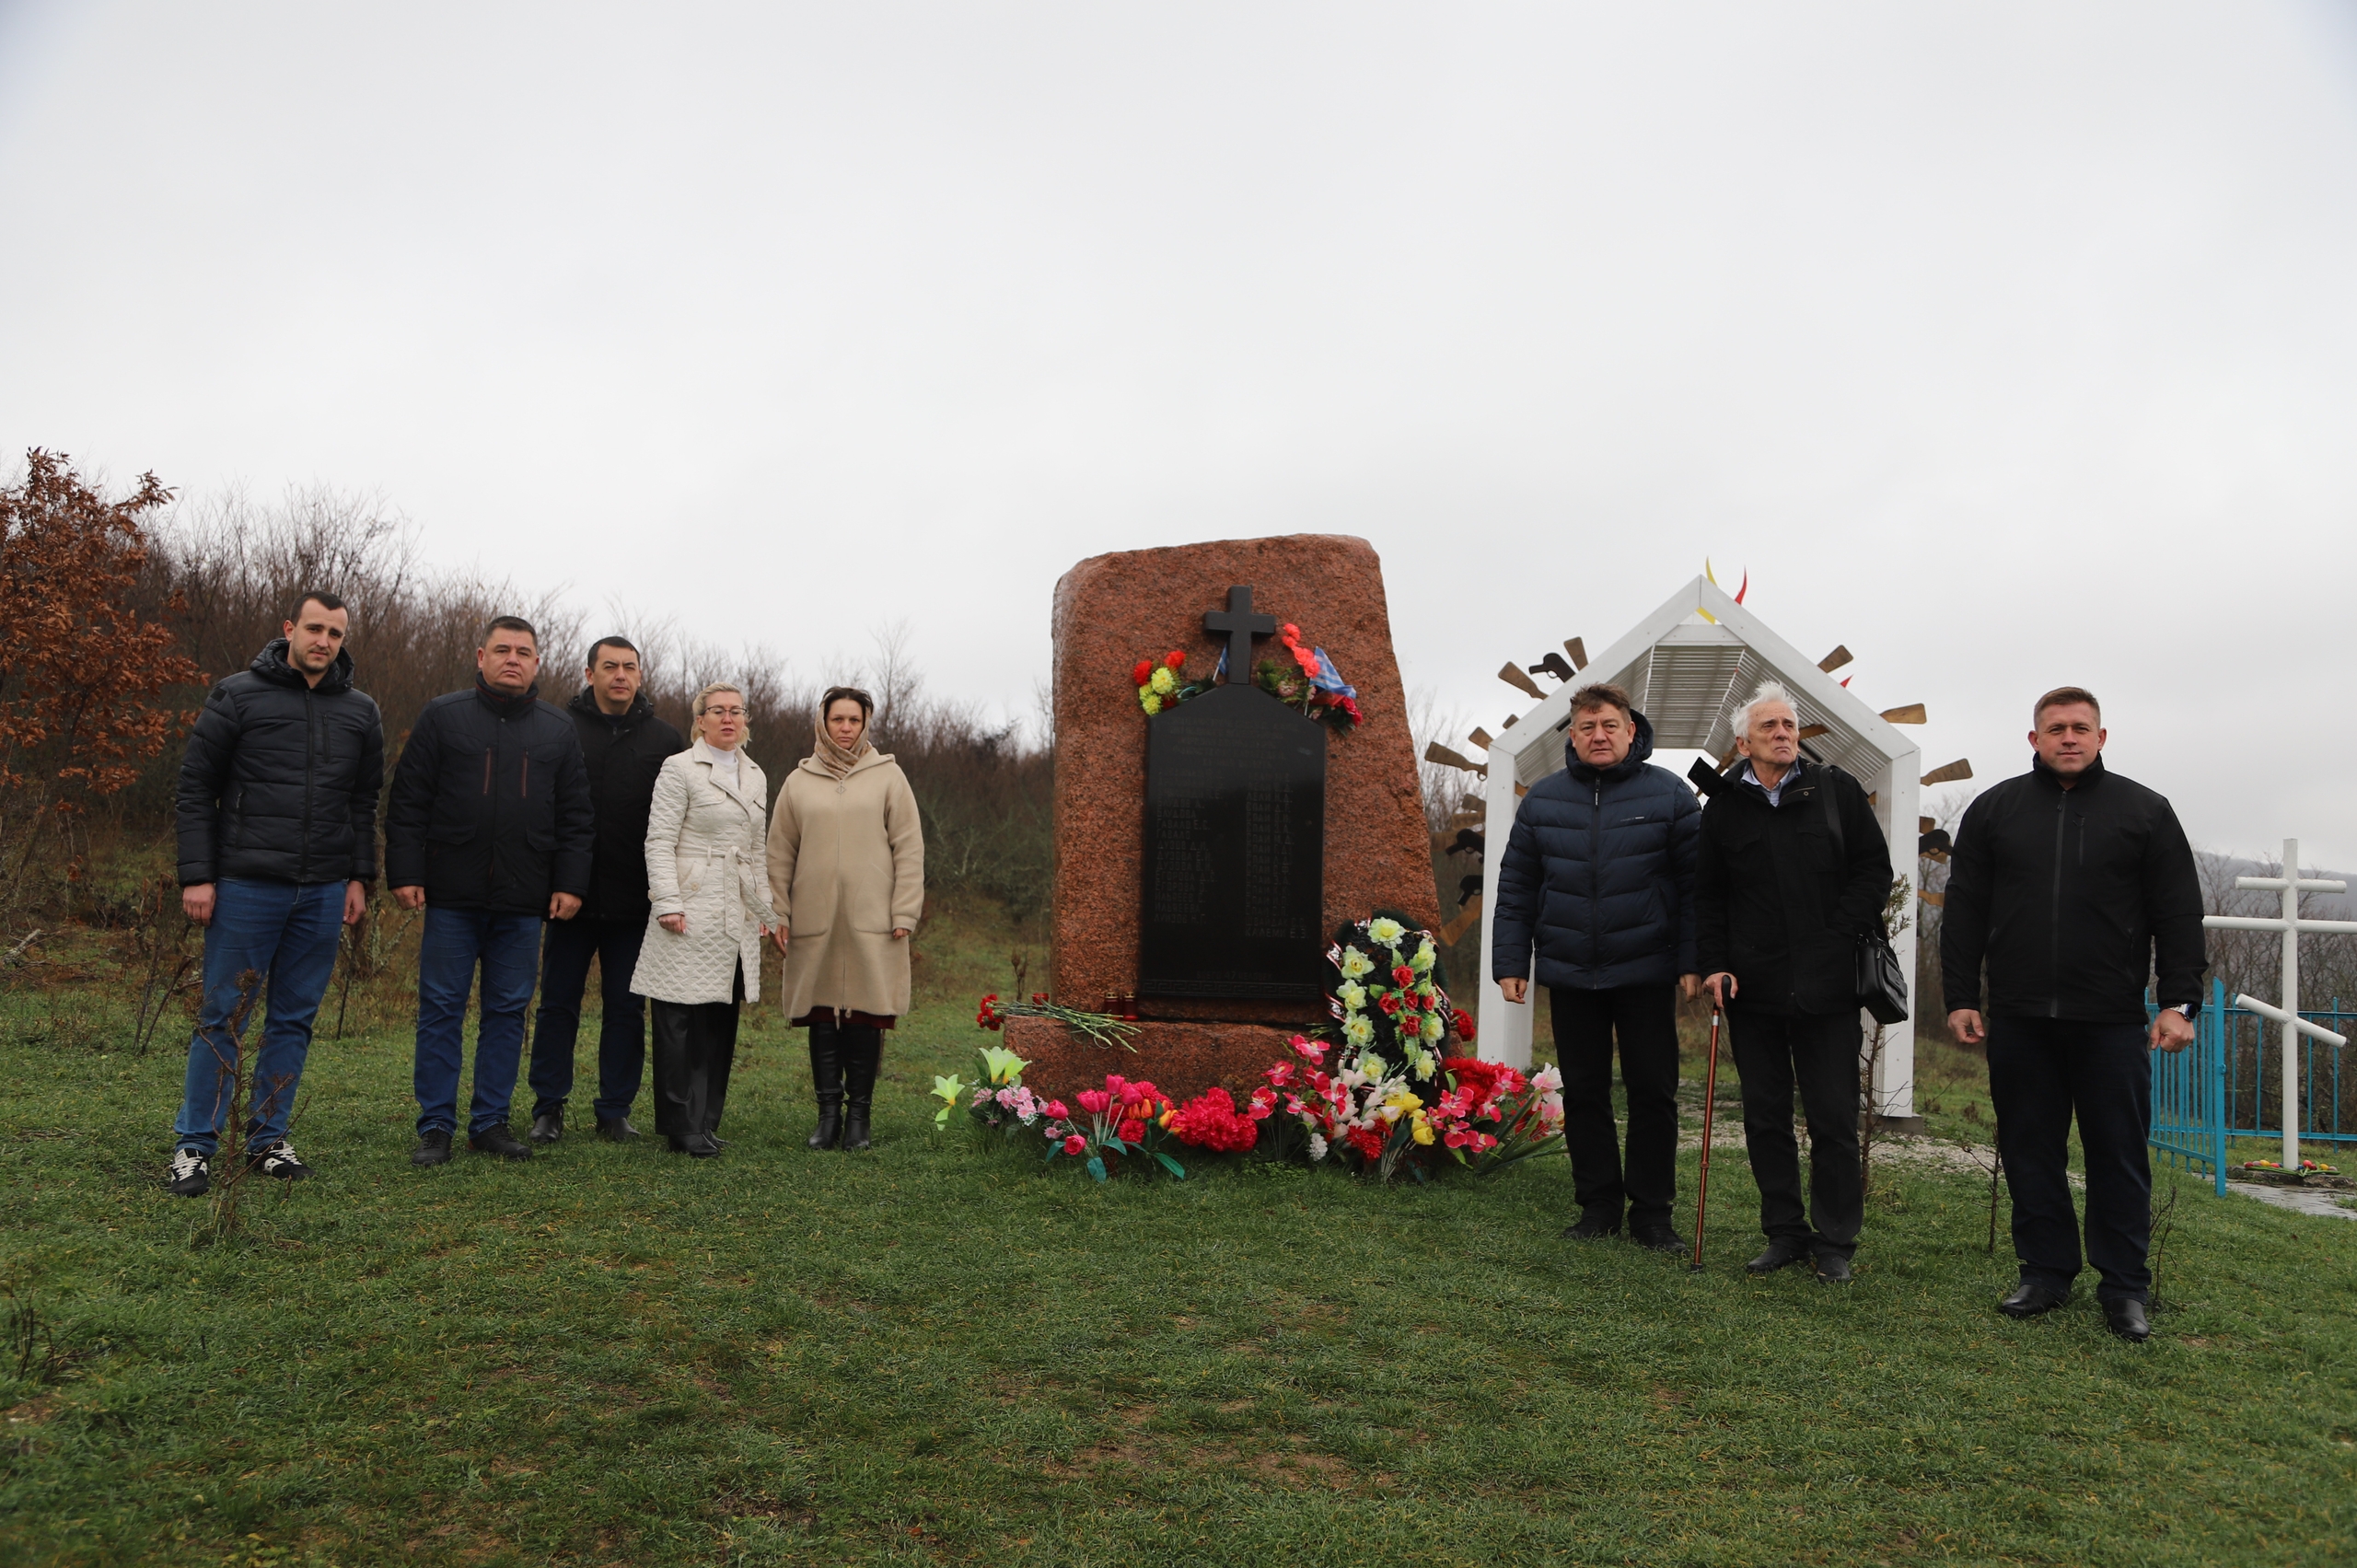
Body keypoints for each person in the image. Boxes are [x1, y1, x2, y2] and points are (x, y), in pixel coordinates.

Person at [1942, 687, 2203, 1342]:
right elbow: (1965, 910)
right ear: (2033, 739)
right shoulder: (1996, 810)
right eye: (2055, 727)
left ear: (2101, 737)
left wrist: (2177, 1002)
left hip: (2111, 1019)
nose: (2068, 737)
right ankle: (2045, 1272)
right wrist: (1961, 996)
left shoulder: (2145, 812)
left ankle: (2124, 1288)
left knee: (2117, 1153)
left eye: (2080, 727)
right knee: (2031, 1149)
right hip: (2022, 1017)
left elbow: (2177, 914)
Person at [166, 592, 384, 1196]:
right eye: (314, 628)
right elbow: (195, 788)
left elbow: (363, 803)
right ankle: (195, 1146)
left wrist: (360, 877)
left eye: (335, 633)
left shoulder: (361, 711)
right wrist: (197, 875)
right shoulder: (237, 694)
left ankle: (268, 1139)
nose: (323, 641)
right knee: (223, 1017)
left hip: (321, 890)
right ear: (289, 628)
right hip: (244, 885)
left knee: (293, 1017)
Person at [1695, 680, 1892, 1285]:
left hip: (1828, 989)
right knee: (1765, 1114)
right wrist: (1714, 962)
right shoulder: (1724, 806)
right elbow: (1708, 895)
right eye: (1769, 728)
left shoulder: (1834, 791)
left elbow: (1873, 871)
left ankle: (1834, 1241)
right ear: (1742, 742)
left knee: (1833, 1117)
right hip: (1752, 991)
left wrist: (1837, 936)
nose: (1783, 734)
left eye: (1789, 725)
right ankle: (1783, 1231)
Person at [1492, 682, 1701, 1251]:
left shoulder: (1671, 796)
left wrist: (1692, 960)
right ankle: (1599, 1206)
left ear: (1631, 731)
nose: (1599, 736)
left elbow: (1694, 888)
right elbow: (1516, 888)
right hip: (1571, 971)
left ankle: (1653, 1215)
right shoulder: (1544, 799)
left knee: (1652, 1093)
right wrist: (1511, 960)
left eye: (1609, 725)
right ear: (1573, 735)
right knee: (1584, 1093)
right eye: (1587, 727)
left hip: (1647, 970)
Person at [385, 616, 594, 1167]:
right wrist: (406, 871)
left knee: (507, 1012)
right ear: (480, 656)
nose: (513, 659)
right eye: (502, 650)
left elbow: (576, 817)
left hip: (524, 901)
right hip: (452, 896)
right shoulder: (443, 716)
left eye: (524, 652)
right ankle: (435, 1126)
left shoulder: (556, 728)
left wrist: (571, 883)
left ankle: (491, 1123)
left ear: (538, 664)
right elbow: (408, 802)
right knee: (441, 1011)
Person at [525, 636, 685, 1144]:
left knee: (625, 1008)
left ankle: (614, 1110)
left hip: (637, 901)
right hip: (569, 898)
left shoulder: (665, 739)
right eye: (609, 666)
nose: (620, 675)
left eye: (629, 667)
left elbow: (679, 821)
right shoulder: (558, 727)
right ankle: (548, 1108)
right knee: (557, 1005)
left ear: (640, 676)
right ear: (589, 673)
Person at [765, 686, 924, 1152]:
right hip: (814, 917)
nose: (846, 728)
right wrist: (779, 910)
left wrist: (904, 910)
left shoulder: (889, 777)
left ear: (865, 724)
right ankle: (827, 1115)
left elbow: (909, 849)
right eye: (838, 719)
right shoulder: (799, 782)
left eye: (854, 720)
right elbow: (779, 852)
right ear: (823, 722)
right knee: (820, 1016)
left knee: (865, 1015)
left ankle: (859, 1118)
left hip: (872, 917)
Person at [629, 683, 778, 1157]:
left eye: (736, 711)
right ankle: (680, 1124)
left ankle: (707, 1121)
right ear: (701, 720)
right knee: (679, 1016)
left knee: (720, 1015)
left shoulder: (756, 775)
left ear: (746, 720)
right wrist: (667, 901)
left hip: (736, 910)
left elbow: (757, 850)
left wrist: (764, 911)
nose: (728, 719)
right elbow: (658, 841)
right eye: (717, 711)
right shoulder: (679, 768)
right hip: (690, 904)